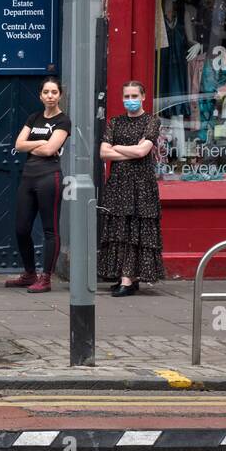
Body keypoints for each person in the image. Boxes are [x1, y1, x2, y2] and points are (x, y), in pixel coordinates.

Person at [98, 80, 164, 296]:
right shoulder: (115, 122)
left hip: (141, 185)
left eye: (134, 96)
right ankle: (125, 277)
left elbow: (142, 152)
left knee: (137, 229)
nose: (130, 101)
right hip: (118, 183)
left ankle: (128, 279)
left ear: (143, 97)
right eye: (127, 97)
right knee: (121, 229)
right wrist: (128, 149)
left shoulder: (151, 121)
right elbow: (104, 153)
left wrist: (117, 147)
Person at [7, 77, 71, 293]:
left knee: (50, 229)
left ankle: (45, 278)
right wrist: (41, 142)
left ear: (60, 95)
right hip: (28, 176)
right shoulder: (34, 118)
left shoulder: (63, 121)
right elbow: (18, 144)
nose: (50, 96)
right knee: (21, 228)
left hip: (49, 177)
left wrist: (35, 146)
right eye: (46, 92)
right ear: (40, 95)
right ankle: (29, 273)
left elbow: (49, 150)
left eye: (54, 92)